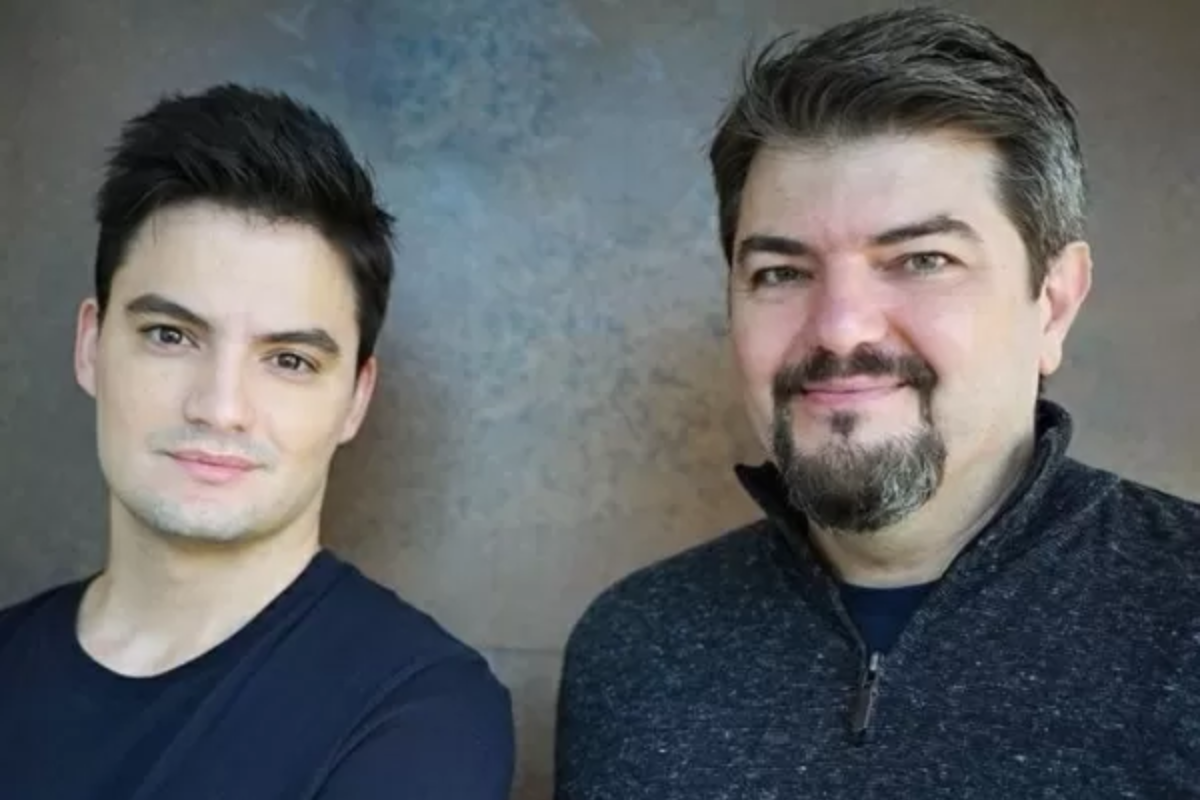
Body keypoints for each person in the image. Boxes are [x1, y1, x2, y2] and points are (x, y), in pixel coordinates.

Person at [554, 8, 1200, 798]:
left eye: (923, 259)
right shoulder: (632, 649)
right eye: (782, 273)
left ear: (1054, 304)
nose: (839, 328)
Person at [0, 84, 514, 799]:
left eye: (289, 361)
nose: (220, 407)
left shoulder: (422, 712)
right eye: (170, 335)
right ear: (91, 346)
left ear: (356, 399)